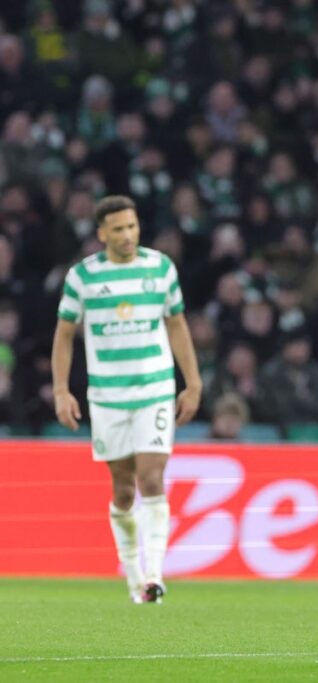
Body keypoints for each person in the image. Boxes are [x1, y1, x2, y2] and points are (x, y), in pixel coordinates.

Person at [52, 195, 202, 604]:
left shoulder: (160, 268)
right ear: (102, 234)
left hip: (154, 389)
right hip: (107, 396)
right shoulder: (82, 277)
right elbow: (64, 334)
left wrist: (192, 382)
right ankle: (135, 576)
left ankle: (154, 575)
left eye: (132, 226)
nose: (127, 235)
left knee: (151, 478)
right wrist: (62, 390)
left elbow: (177, 324)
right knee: (122, 490)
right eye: (118, 229)